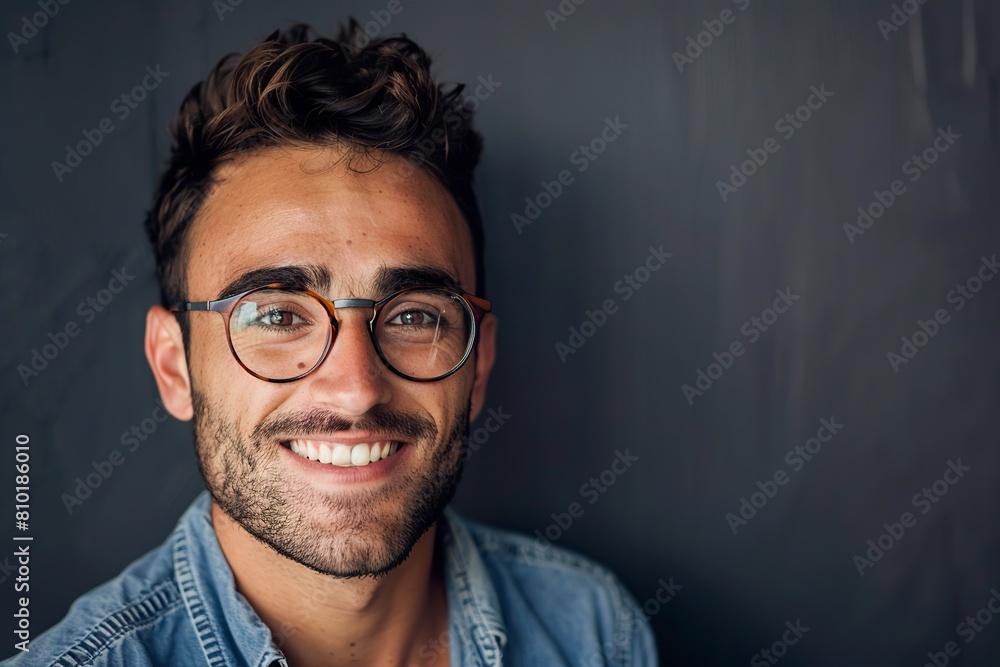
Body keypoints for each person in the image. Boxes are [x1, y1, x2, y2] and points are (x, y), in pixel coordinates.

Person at [4, 21, 656, 667]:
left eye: (414, 316)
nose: (356, 389)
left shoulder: (594, 632)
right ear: (174, 365)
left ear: (478, 364)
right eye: (278, 316)